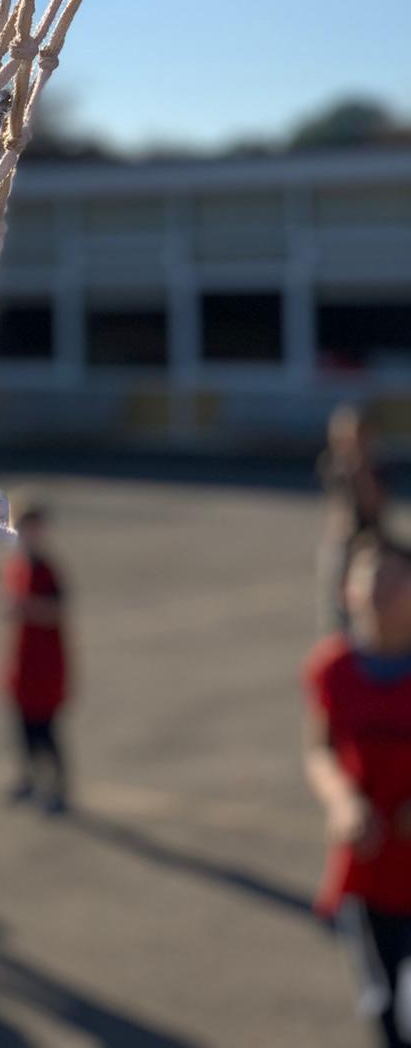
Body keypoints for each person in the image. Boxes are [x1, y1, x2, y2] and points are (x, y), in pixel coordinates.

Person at [304, 533, 411, 1047]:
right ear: (347, 591)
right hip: (367, 863)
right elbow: (320, 751)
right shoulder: (332, 667)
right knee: (383, 1002)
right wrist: (343, 801)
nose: (380, 590)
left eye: (394, 577)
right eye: (368, 578)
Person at [1, 502, 70, 813]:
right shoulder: (16, 566)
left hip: (46, 665)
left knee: (46, 730)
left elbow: (57, 611)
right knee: (23, 728)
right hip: (23, 662)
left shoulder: (47, 569)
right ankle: (28, 778)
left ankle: (58, 786)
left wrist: (25, 607)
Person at [318, 405, 389, 633]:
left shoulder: (375, 467)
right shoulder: (335, 465)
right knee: (337, 609)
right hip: (343, 546)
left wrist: (361, 468)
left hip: (370, 545)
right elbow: (338, 512)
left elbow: (373, 504)